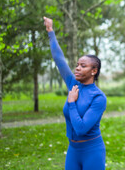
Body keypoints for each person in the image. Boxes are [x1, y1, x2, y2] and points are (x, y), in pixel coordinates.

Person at [43, 17, 107, 170]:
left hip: (92, 151)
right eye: (77, 65)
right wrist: (50, 31)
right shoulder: (73, 83)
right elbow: (59, 59)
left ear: (94, 71)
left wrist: (72, 102)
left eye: (83, 66)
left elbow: (81, 128)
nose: (77, 68)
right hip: (73, 150)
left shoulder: (99, 97)